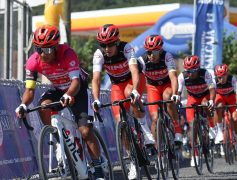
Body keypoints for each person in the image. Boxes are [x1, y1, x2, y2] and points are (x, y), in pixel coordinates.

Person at [15, 25, 104, 179]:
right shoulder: (33, 61)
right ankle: (58, 139)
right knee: (43, 106)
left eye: (48, 50)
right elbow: (30, 90)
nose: (43, 54)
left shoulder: (67, 53)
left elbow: (75, 81)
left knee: (85, 132)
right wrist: (23, 105)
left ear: (56, 47)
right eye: (39, 49)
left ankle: (98, 167)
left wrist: (69, 94)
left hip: (77, 89)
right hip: (58, 89)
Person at [91, 24, 149, 179]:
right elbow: (96, 79)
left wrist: (136, 89)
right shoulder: (99, 54)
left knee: (130, 93)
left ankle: (145, 128)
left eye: (110, 44)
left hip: (134, 79)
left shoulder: (126, 48)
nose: (107, 48)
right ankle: (132, 160)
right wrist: (96, 99)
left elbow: (135, 71)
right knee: (119, 121)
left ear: (116, 42)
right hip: (117, 84)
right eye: (103, 45)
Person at [137, 34, 182, 146]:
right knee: (155, 118)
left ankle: (177, 130)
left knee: (168, 97)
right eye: (149, 52)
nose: (151, 55)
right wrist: (138, 95)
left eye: (155, 52)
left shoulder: (167, 57)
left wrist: (175, 94)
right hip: (153, 88)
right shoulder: (142, 60)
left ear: (161, 50)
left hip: (167, 85)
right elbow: (139, 80)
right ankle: (157, 148)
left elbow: (173, 77)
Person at [177, 55, 216, 167]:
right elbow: (178, 91)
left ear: (198, 69)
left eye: (193, 71)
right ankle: (195, 154)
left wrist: (212, 100)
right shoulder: (182, 76)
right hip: (192, 98)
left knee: (205, 104)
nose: (190, 74)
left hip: (205, 96)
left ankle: (212, 125)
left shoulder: (205, 74)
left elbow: (212, 89)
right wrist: (177, 98)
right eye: (188, 71)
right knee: (191, 125)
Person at [213, 64, 237, 156]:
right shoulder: (214, 81)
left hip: (231, 98)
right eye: (219, 77)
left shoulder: (232, 79)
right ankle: (219, 131)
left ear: (227, 74)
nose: (221, 79)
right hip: (220, 97)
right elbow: (212, 94)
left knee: (235, 118)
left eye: (223, 77)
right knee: (218, 107)